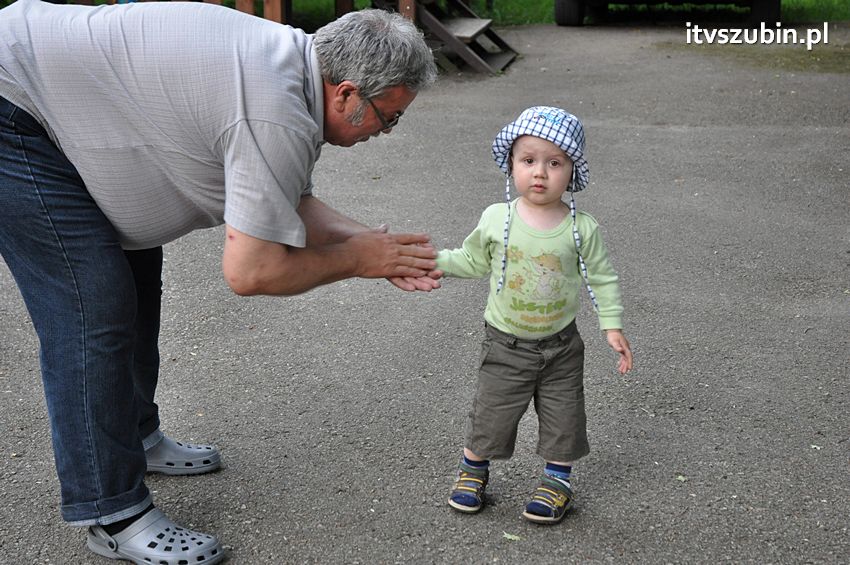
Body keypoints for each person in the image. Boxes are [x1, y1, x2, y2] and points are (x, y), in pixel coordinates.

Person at [0, 0, 439, 562]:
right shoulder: (275, 110)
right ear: (348, 93)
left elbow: (284, 200)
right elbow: (253, 270)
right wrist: (360, 260)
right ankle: (113, 511)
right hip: (15, 109)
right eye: (389, 116)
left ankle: (133, 436)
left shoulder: (290, 68)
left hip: (46, 94)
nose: (387, 130)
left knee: (133, 281)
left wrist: (374, 245)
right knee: (94, 308)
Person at [436, 106, 633, 524]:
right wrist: (431, 262)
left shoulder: (582, 228)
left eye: (554, 162)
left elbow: (602, 277)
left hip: (561, 345)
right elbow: (472, 260)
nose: (540, 173)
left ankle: (556, 482)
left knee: (564, 416)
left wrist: (611, 325)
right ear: (511, 164)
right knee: (492, 411)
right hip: (505, 343)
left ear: (572, 171)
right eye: (529, 161)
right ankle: (473, 471)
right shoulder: (497, 218)